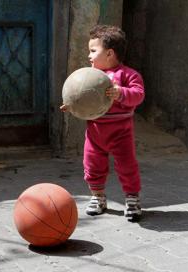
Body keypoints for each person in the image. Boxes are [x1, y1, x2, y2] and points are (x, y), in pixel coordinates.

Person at [60, 24, 145, 220]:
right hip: (95, 132)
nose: (89, 55)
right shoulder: (88, 77)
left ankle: (132, 198)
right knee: (92, 165)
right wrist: (71, 105)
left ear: (109, 53)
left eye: (92, 50)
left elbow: (138, 95)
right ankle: (98, 196)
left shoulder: (128, 75)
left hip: (120, 132)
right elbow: (79, 97)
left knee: (127, 166)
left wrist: (120, 93)